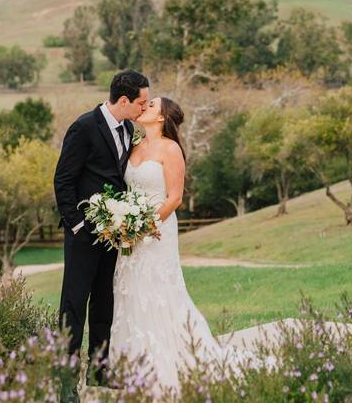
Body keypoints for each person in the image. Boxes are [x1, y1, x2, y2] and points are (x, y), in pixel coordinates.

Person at [110, 96, 254, 398]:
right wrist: (124, 223)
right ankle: (132, 366)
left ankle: (171, 362)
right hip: (130, 232)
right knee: (130, 288)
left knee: (158, 290)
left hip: (157, 230)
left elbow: (174, 198)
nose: (144, 107)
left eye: (151, 105)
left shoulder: (170, 149)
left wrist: (144, 226)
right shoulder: (134, 144)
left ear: (162, 118)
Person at [53, 69, 149, 390]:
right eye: (141, 103)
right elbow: (63, 180)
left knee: (104, 304)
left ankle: (98, 373)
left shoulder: (129, 128)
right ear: (124, 100)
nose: (143, 109)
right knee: (74, 306)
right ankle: (65, 383)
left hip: (113, 235)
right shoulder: (83, 127)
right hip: (83, 234)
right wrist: (78, 225)